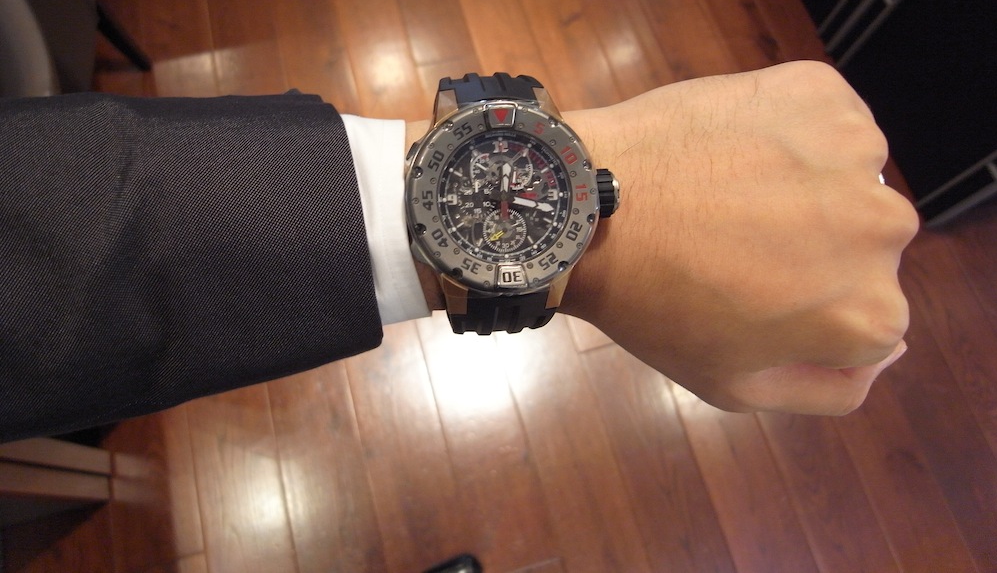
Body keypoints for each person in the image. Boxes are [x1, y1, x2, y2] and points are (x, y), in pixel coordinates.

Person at [0, 60, 918, 442]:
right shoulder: (499, 163)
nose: (519, 200)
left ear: (591, 195)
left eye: (551, 194)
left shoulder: (551, 200)